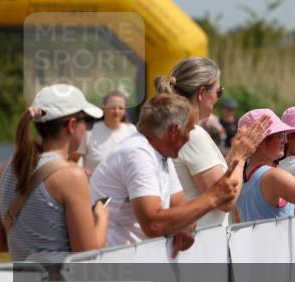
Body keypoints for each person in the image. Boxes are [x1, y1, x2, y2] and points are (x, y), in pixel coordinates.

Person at [89, 94, 243, 250]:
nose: (189, 138)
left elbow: (180, 209)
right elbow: (154, 225)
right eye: (189, 130)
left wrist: (183, 226)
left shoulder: (161, 154)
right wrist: (212, 197)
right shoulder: (137, 154)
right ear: (174, 131)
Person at [0, 85, 109, 261]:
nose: (87, 128)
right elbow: (87, 257)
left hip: (21, 278)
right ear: (71, 125)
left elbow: (1, 244)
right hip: (60, 279)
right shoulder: (71, 175)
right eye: (87, 121)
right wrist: (101, 218)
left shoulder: (5, 168)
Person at [155, 58, 266, 228]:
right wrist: (241, 157)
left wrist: (234, 152)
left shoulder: (174, 128)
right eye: (218, 92)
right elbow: (225, 200)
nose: (218, 99)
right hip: (201, 238)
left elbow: (217, 179)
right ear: (201, 93)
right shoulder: (192, 135)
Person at [71, 90, 136, 174]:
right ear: (103, 108)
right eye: (112, 108)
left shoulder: (132, 130)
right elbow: (72, 160)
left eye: (121, 108)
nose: (116, 111)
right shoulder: (89, 131)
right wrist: (80, 173)